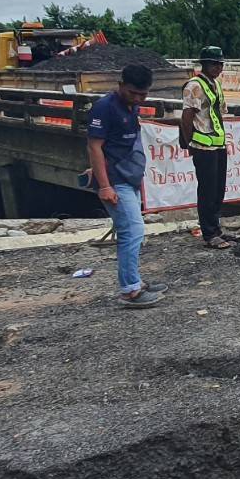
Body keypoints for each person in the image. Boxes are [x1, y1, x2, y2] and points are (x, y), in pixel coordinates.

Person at [86, 64, 166, 308]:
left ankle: (135, 281)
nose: (138, 98)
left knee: (130, 232)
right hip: (115, 181)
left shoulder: (132, 108)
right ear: (121, 86)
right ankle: (130, 290)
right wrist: (104, 186)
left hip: (128, 178)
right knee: (132, 231)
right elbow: (94, 146)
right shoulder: (105, 108)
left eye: (143, 94)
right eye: (133, 93)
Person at [179, 47, 231, 249]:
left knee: (218, 190)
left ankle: (216, 228)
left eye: (220, 64)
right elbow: (187, 117)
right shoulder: (194, 86)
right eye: (213, 64)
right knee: (207, 191)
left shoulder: (215, 85)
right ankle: (209, 233)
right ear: (204, 64)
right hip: (202, 146)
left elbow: (219, 114)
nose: (218, 68)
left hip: (218, 144)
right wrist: (190, 143)